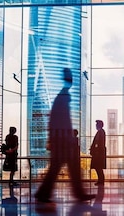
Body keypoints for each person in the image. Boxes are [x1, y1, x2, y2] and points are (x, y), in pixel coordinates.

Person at [34, 68, 95, 203]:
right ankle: (76, 193)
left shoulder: (61, 97)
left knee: (62, 167)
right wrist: (68, 138)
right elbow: (61, 121)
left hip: (60, 139)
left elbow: (54, 120)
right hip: (62, 140)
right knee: (68, 166)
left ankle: (44, 193)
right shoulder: (62, 98)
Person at [90, 120, 106, 186]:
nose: (96, 126)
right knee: (98, 167)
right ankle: (100, 180)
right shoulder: (100, 132)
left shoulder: (100, 132)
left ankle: (101, 181)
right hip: (98, 153)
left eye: (97, 124)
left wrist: (95, 151)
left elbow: (98, 143)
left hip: (98, 154)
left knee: (98, 167)